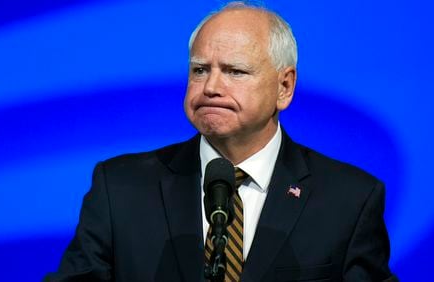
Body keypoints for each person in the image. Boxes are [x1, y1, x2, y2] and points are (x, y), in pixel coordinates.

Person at [46, 2, 397, 281]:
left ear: (284, 87)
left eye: (234, 71)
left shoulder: (349, 200)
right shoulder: (120, 187)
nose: (211, 87)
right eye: (200, 70)